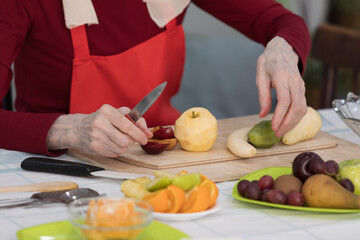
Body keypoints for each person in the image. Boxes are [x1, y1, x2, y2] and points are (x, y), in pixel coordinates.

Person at [0, 0, 311, 158]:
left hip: (160, 160)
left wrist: (283, 49)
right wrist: (68, 131)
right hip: (59, 170)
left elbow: (282, 21)